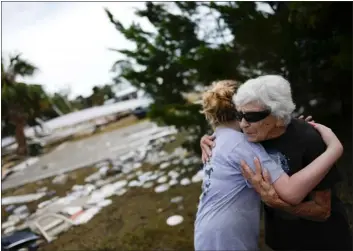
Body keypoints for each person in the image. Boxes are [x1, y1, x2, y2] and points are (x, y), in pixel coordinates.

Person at [200, 75, 352, 250]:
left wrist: (280, 205)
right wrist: (206, 140)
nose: (242, 124)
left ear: (279, 117)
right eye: (239, 115)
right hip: (281, 239)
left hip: (321, 241)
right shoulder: (253, 135)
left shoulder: (309, 141)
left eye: (251, 116)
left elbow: (323, 211)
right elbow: (226, 135)